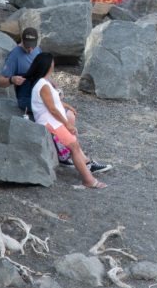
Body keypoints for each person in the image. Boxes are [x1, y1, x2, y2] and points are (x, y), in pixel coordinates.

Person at [23, 52, 110, 188]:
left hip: (53, 120)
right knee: (74, 147)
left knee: (75, 145)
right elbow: (52, 109)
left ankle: (88, 175)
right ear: (47, 66)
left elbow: (54, 103)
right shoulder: (43, 85)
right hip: (50, 122)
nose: (53, 65)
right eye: (52, 63)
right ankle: (88, 180)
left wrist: (67, 107)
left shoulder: (44, 83)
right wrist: (67, 124)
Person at [0, 27, 40, 112]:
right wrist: (12, 80)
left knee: (69, 113)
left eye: (33, 46)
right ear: (22, 41)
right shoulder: (14, 56)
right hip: (26, 96)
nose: (31, 50)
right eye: (28, 47)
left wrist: (53, 85)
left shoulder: (38, 50)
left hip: (40, 92)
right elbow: (0, 82)